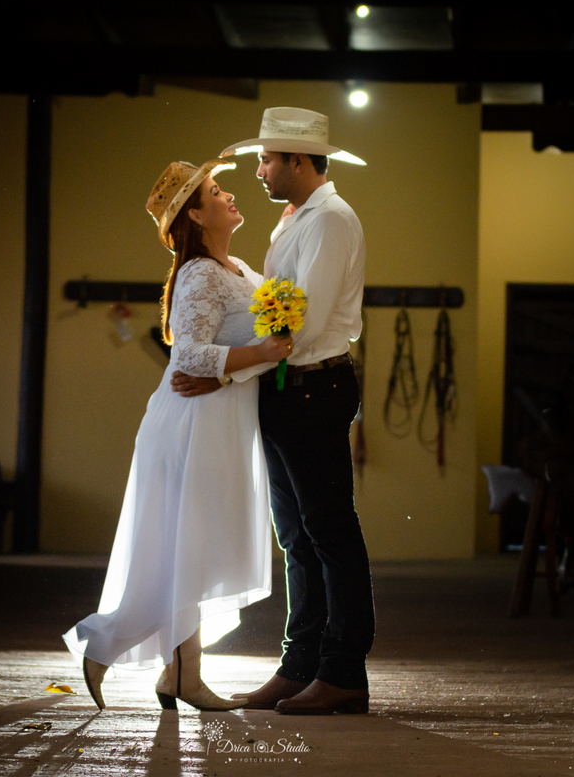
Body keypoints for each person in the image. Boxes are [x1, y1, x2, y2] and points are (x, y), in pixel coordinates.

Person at [63, 159, 292, 711]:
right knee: (188, 545)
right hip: (191, 424)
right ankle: (167, 669)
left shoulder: (238, 268)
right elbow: (186, 354)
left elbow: (259, 347)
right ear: (195, 213)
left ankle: (167, 672)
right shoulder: (199, 274)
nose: (230, 193)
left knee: (193, 546)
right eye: (216, 191)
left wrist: (255, 357)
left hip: (221, 422)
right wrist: (259, 353)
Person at [171, 107, 376, 715]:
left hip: (313, 384)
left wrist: (232, 365)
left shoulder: (331, 220)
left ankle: (342, 669)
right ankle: (300, 665)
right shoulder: (298, 217)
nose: (258, 170)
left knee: (329, 530)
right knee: (297, 535)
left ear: (298, 161)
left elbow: (301, 324)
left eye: (266, 159)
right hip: (290, 386)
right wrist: (241, 365)